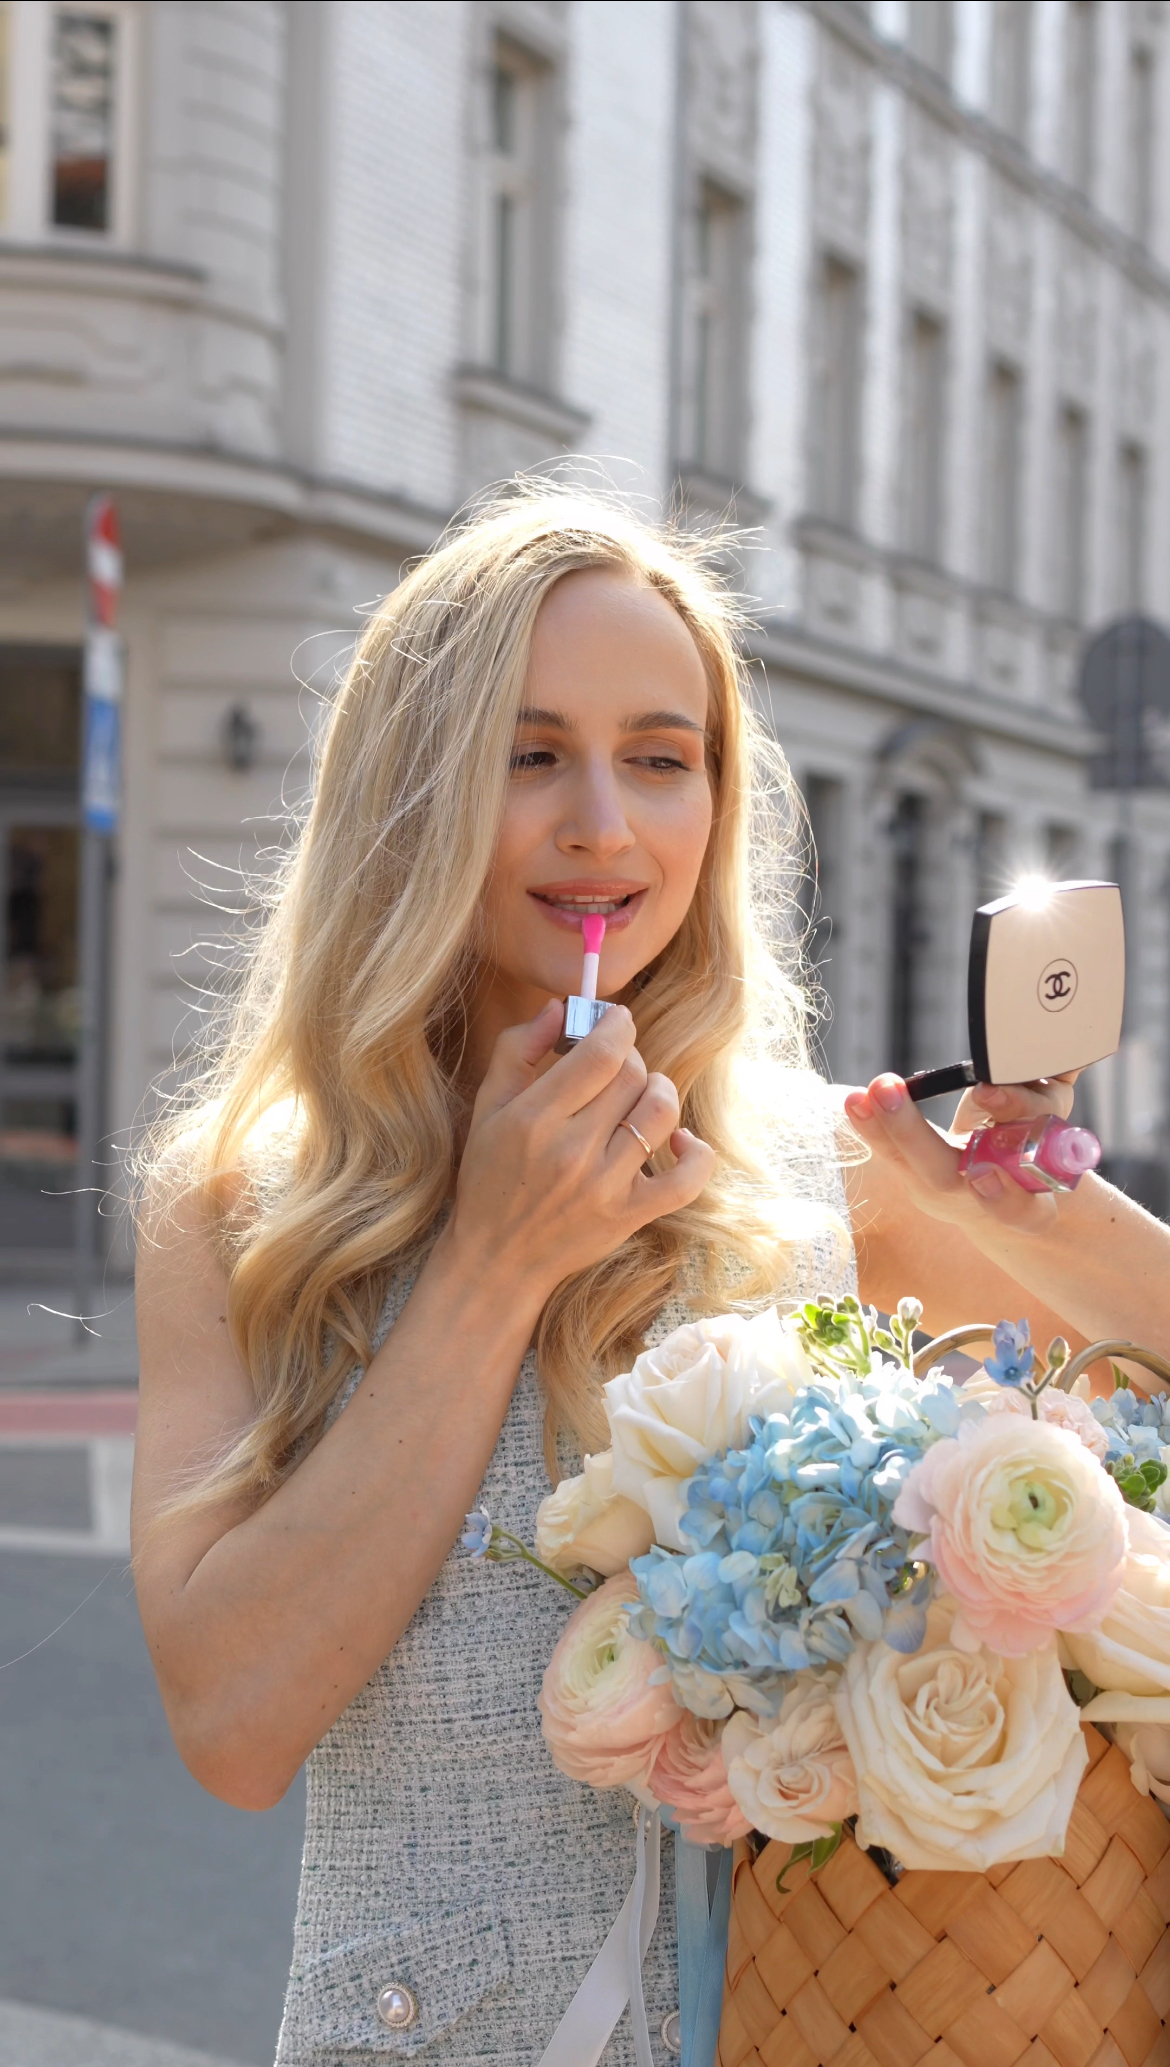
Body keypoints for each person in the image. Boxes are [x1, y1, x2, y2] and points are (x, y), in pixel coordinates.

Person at [133, 488, 1170, 2067]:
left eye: (662, 759)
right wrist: (489, 1266)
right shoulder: (241, 1202)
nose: (603, 826)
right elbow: (233, 1727)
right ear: (409, 793)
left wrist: (1045, 1220)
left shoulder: (839, 1173)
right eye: (528, 753)